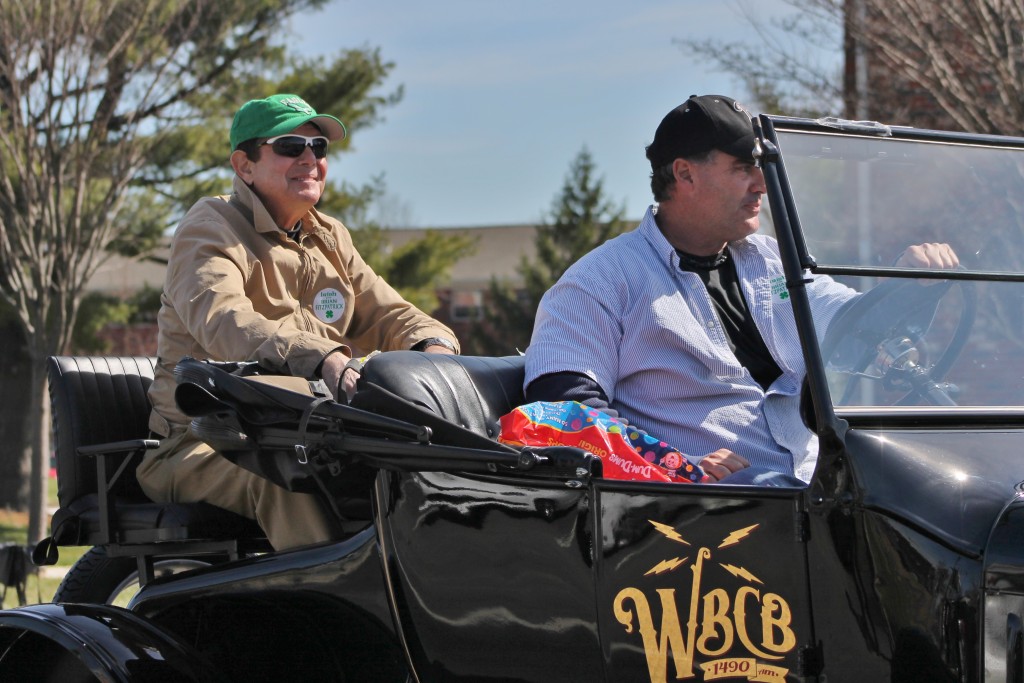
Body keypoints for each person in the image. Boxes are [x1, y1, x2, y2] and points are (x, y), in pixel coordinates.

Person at [523, 94, 958, 485]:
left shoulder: (771, 261)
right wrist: (674, 465)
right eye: (741, 168)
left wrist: (913, 284)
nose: (762, 185)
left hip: (815, 489)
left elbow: (855, 326)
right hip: (704, 516)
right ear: (685, 174)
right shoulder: (599, 281)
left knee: (941, 485)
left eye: (761, 167)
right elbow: (567, 412)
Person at [138, 94, 460, 550]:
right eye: (291, 146)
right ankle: (333, 613)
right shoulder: (211, 226)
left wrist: (436, 352)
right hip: (204, 442)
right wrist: (323, 357)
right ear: (244, 165)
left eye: (320, 149)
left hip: (311, 433)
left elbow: (389, 312)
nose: (310, 158)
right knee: (288, 482)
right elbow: (225, 321)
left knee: (421, 475)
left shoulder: (328, 236)